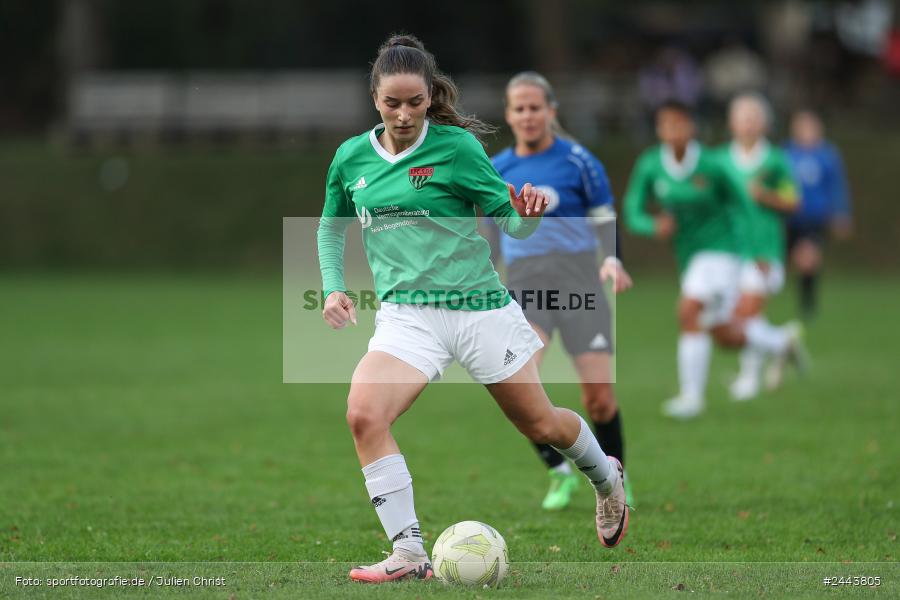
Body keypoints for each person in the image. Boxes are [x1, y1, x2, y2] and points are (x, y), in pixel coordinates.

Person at [317, 35, 629, 584]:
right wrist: (333, 287)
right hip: (407, 318)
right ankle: (409, 553)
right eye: (393, 102)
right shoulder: (350, 158)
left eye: (416, 101)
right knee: (363, 414)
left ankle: (607, 480)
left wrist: (525, 214)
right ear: (375, 99)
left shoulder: (457, 148)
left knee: (540, 422)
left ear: (429, 96)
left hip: (480, 311)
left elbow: (506, 218)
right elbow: (329, 225)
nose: (406, 113)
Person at [490, 71, 634, 511]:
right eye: (519, 108)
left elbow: (604, 217)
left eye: (536, 107)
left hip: (580, 285)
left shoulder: (579, 160)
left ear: (551, 111)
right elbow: (490, 230)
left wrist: (612, 258)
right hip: (526, 286)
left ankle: (615, 481)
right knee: (520, 388)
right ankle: (559, 474)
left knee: (599, 398)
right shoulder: (498, 168)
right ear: (509, 115)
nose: (528, 115)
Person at [717, 93, 808, 400]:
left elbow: (794, 201)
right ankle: (783, 341)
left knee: (745, 315)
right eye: (743, 118)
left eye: (754, 118)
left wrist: (766, 197)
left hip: (765, 250)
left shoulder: (775, 160)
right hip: (730, 251)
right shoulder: (720, 161)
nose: (749, 124)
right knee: (738, 317)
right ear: (731, 123)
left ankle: (749, 380)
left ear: (765, 124)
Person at [784, 109, 853, 320]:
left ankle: (808, 306)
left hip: (814, 218)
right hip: (789, 218)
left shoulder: (827, 155)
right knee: (781, 262)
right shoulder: (785, 153)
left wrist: (841, 213)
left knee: (808, 260)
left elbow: (837, 186)